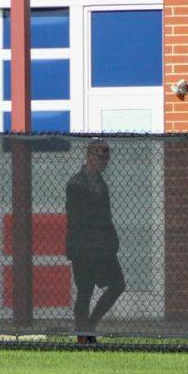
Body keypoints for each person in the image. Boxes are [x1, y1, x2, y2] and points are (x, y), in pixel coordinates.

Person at [65, 138, 125, 345]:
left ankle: (89, 324)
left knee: (117, 284)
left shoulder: (101, 184)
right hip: (84, 248)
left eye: (107, 157)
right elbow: (76, 219)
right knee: (85, 291)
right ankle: (84, 335)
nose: (104, 161)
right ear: (90, 157)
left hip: (103, 248)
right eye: (101, 157)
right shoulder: (76, 184)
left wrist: (110, 239)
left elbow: (105, 216)